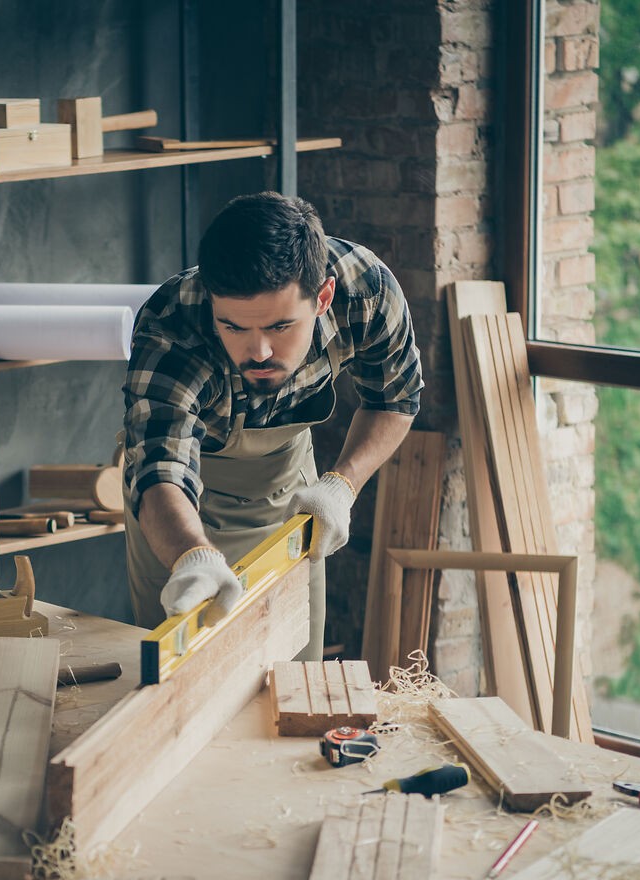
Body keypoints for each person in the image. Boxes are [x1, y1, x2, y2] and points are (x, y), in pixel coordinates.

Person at [121, 191, 422, 659]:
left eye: (280, 327)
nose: (258, 352)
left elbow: (396, 399)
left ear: (323, 297)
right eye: (234, 328)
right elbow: (160, 469)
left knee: (296, 671)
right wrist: (191, 557)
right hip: (181, 506)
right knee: (185, 669)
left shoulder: (365, 290)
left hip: (290, 491)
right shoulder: (171, 328)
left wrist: (342, 485)